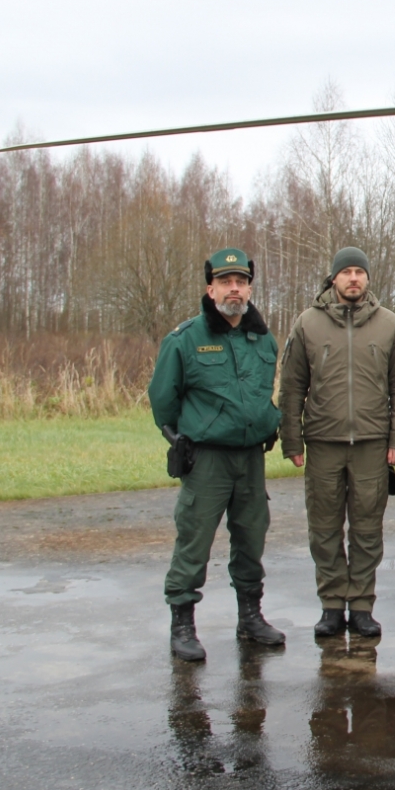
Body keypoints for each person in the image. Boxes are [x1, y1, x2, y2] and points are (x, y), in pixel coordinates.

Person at [149, 248, 286, 662]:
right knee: (195, 538)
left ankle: (250, 617)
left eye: (241, 281)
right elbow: (162, 399)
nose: (234, 289)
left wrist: (266, 421)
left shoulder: (262, 337)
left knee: (251, 537)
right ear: (210, 288)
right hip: (206, 458)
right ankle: (183, 624)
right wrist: (181, 438)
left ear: (249, 288)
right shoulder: (186, 339)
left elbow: (264, 390)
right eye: (225, 281)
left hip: (250, 459)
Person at [279, 247, 395, 640]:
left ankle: (362, 606)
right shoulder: (308, 323)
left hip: (373, 443)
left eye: (360, 272)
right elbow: (291, 387)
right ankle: (331, 604)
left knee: (367, 528)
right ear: (334, 278)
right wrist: (292, 439)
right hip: (323, 441)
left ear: (368, 279)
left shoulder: (388, 324)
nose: (353, 278)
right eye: (346, 273)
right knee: (323, 527)